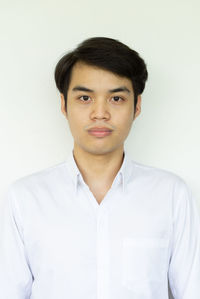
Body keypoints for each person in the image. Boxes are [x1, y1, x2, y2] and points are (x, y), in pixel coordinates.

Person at [0, 36, 200, 299]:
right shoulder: (24, 198)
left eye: (116, 99)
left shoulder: (171, 195)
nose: (100, 113)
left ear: (137, 106)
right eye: (84, 97)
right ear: (63, 104)